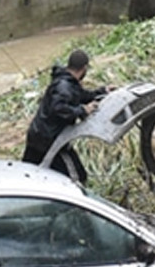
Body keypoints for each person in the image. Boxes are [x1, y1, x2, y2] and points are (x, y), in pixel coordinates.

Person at [22, 49, 108, 179]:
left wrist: (103, 91)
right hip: (51, 141)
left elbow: (82, 96)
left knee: (26, 174)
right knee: (77, 177)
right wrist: (82, 110)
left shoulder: (67, 81)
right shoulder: (64, 86)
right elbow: (58, 108)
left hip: (38, 135)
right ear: (84, 68)